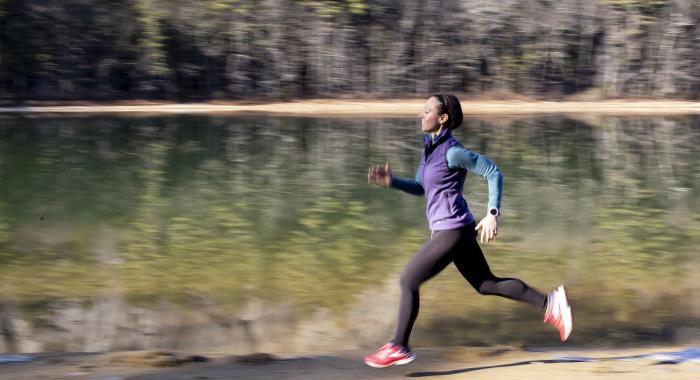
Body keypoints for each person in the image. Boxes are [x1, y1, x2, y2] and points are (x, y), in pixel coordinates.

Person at [364, 94, 572, 368]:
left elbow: (493, 172)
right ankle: (551, 304)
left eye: (426, 111)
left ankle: (399, 346)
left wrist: (492, 213)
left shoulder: (453, 151)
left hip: (453, 230)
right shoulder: (429, 148)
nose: (420, 114)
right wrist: (393, 182)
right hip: (456, 230)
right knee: (486, 284)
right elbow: (423, 188)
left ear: (443, 118)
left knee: (408, 280)